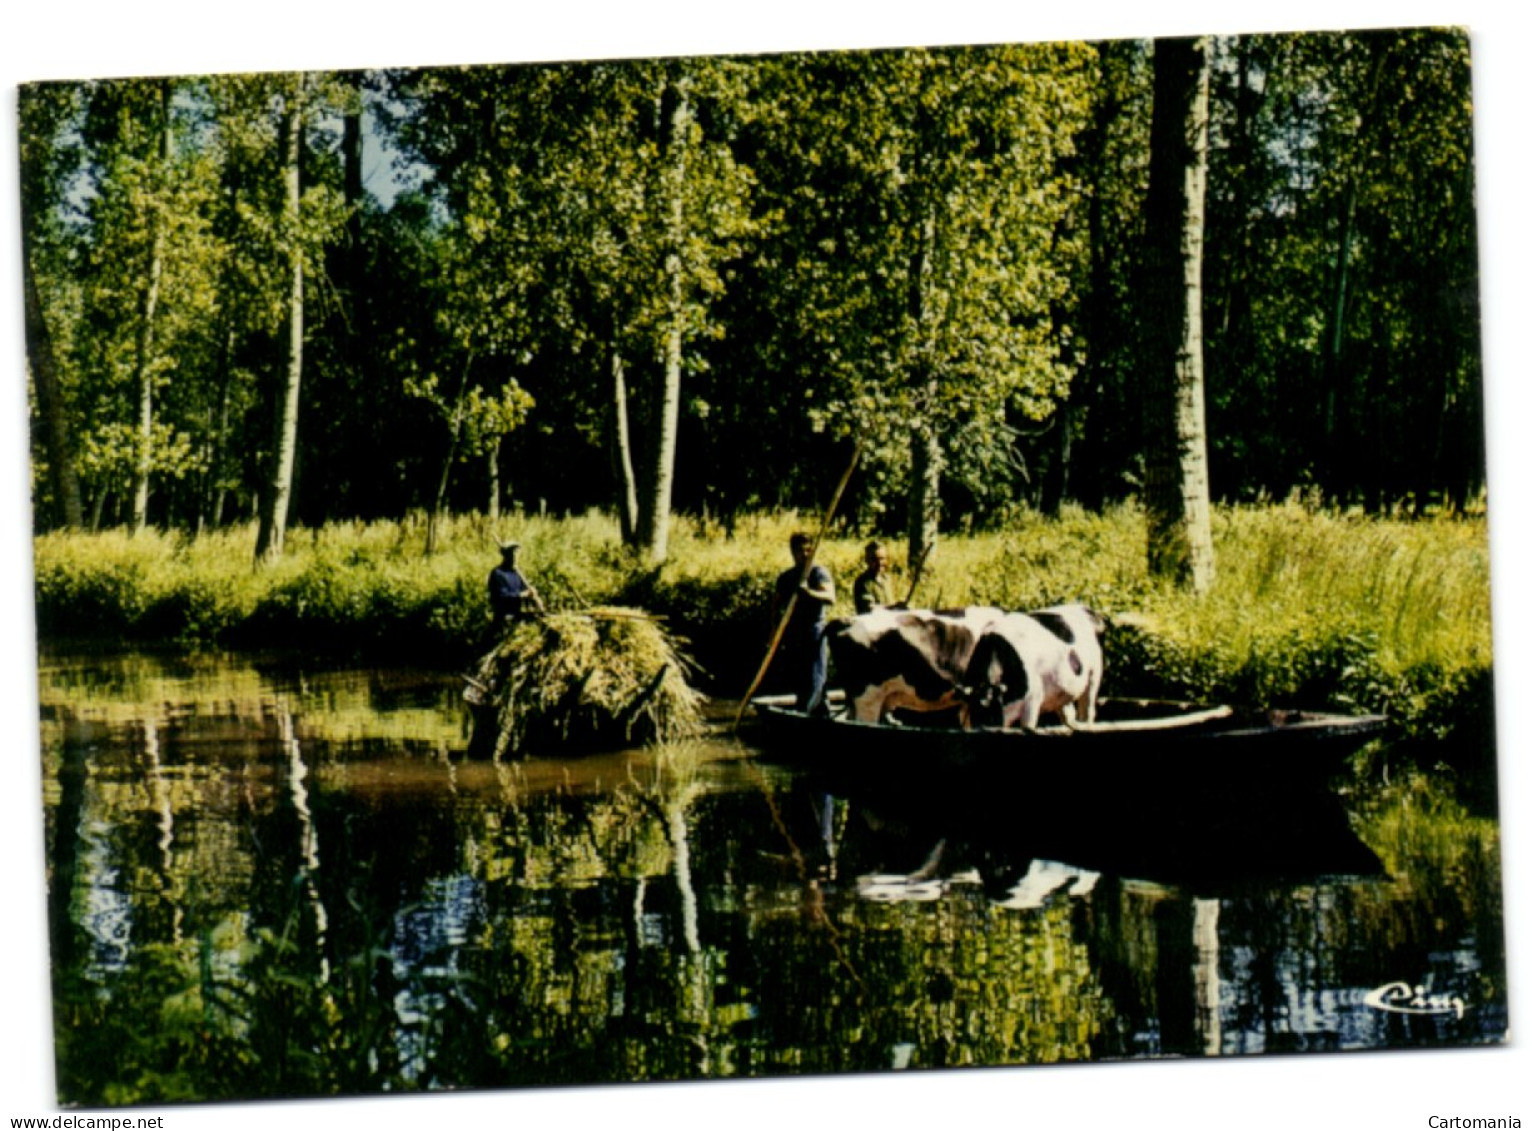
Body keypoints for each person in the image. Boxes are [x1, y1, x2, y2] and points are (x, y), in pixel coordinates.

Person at [771, 531, 836, 713]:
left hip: (815, 631)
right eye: (801, 551)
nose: (805, 554)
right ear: (793, 552)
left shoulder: (818, 573)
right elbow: (776, 605)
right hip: (793, 632)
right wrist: (774, 632)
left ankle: (820, 710)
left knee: (817, 675)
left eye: (808, 550)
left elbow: (830, 597)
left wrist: (809, 592)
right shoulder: (786, 578)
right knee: (798, 677)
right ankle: (802, 710)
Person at [488, 541, 545, 626]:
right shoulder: (497, 573)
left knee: (540, 619)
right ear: (505, 555)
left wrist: (533, 597)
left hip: (517, 614)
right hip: (504, 616)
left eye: (516, 552)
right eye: (511, 552)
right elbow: (501, 597)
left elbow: (525, 592)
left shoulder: (517, 573)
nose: (514, 555)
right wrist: (522, 595)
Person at [852, 540, 892, 614]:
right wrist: (892, 607)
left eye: (882, 559)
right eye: (874, 559)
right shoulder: (862, 582)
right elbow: (869, 609)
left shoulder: (886, 579)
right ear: (867, 560)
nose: (879, 563)